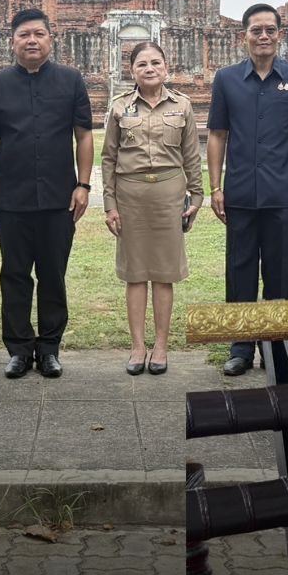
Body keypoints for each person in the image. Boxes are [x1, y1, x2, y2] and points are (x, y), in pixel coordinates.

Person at [0, 9, 94, 378]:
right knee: (13, 274)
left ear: (50, 39)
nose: (32, 40)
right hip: (11, 198)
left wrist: (84, 184)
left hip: (59, 198)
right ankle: (18, 348)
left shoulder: (71, 80)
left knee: (53, 274)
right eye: (24, 34)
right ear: (12, 41)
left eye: (39, 34)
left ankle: (49, 349)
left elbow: (84, 135)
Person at [207, 3, 288, 376]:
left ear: (280, 35)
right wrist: (215, 186)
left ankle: (276, 347)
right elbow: (217, 134)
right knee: (239, 271)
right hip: (239, 190)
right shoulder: (226, 79)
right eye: (256, 30)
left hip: (281, 192)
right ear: (245, 37)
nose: (264, 36)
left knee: (277, 271)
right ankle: (240, 346)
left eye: (270, 30)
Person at [101, 41, 201, 375]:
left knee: (163, 274)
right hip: (130, 195)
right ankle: (137, 346)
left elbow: (191, 156)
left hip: (169, 195)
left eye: (155, 62)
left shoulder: (182, 106)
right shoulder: (119, 108)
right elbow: (109, 158)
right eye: (141, 64)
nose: (149, 68)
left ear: (166, 67)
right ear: (132, 71)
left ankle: (160, 345)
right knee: (135, 274)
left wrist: (196, 197)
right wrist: (110, 204)